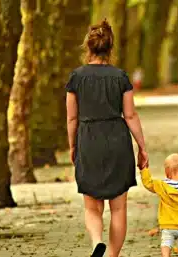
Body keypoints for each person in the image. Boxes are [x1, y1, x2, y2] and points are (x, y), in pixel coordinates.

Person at [65, 19, 148, 257]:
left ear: (88, 47)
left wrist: (73, 146)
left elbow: (72, 119)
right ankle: (111, 255)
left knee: (92, 207)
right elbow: (130, 115)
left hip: (88, 139)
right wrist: (142, 148)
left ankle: (96, 243)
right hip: (117, 140)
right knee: (119, 208)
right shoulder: (120, 77)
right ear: (110, 48)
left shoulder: (76, 78)